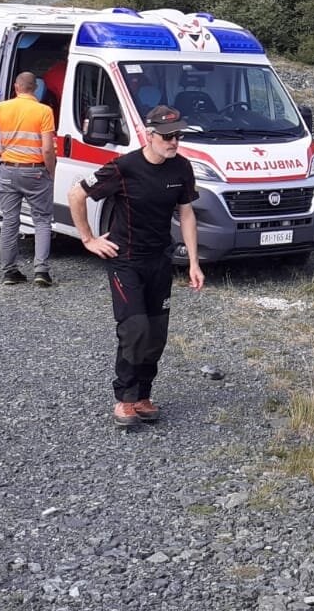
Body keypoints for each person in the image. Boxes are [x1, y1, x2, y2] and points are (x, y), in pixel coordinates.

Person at [68, 105, 204, 427]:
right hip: (125, 260)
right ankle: (125, 399)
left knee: (156, 333)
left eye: (178, 136)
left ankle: (143, 395)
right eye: (168, 137)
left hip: (160, 260)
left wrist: (194, 263)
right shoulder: (124, 167)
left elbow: (186, 214)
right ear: (148, 134)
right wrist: (88, 239)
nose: (174, 142)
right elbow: (77, 193)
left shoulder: (181, 168)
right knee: (136, 328)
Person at [0, 72, 57, 287]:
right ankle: (41, 271)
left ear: (16, 87)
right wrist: (51, 171)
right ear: (35, 88)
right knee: (43, 220)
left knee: (10, 221)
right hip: (35, 172)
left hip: (8, 171)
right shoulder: (44, 111)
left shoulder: (1, 108)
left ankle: (9, 272)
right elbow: (47, 149)